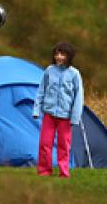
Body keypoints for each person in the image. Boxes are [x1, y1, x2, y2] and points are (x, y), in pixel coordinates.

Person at [32, 42, 84, 178]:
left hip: (65, 117)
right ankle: (44, 171)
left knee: (63, 146)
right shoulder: (49, 71)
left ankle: (63, 172)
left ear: (69, 56)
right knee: (44, 144)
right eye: (56, 54)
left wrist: (75, 117)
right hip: (49, 115)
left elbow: (79, 97)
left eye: (62, 54)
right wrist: (37, 110)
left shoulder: (74, 74)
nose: (59, 57)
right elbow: (41, 90)